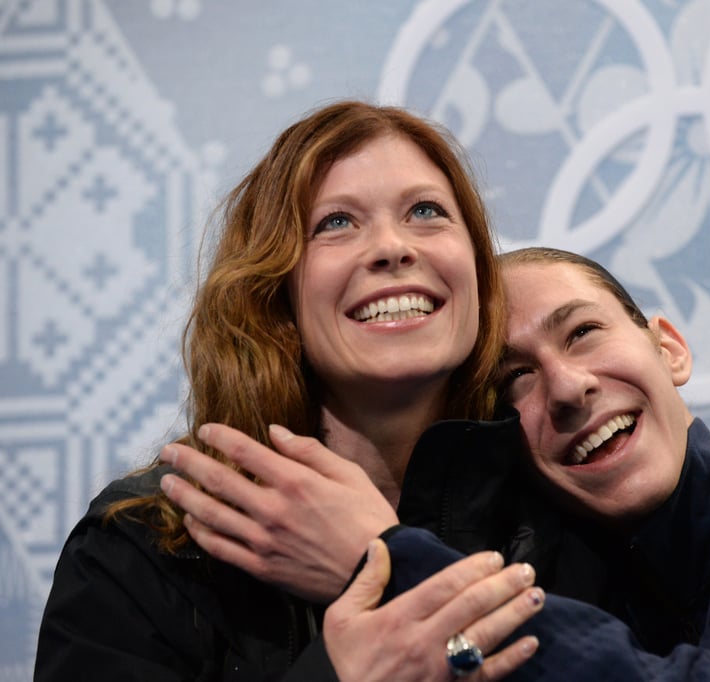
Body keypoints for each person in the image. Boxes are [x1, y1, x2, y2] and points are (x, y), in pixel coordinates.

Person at [165, 244, 710, 680]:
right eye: (515, 385)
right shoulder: (575, 598)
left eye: (584, 332)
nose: (567, 388)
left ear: (670, 348)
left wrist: (383, 560)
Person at [34, 100, 549, 681]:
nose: (392, 247)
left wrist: (384, 565)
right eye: (336, 222)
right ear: (275, 293)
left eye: (425, 211)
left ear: (478, 268)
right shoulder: (142, 550)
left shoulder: (563, 508)